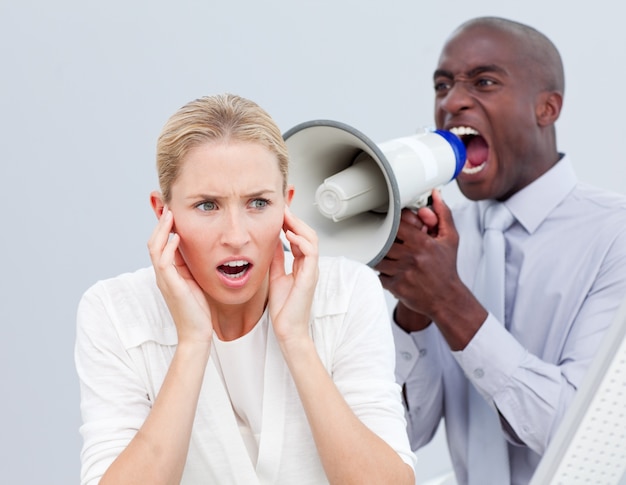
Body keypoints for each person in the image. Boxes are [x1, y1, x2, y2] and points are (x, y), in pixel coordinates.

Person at [75, 93, 416, 485]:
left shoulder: (348, 292)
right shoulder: (113, 312)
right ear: (162, 213)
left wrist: (296, 340)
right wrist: (191, 343)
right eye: (207, 205)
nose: (236, 236)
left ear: (287, 206)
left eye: (258, 202)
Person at [375, 16, 626, 485]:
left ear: (547, 108)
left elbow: (579, 436)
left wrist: (449, 301)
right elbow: (405, 435)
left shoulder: (615, 236)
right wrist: (414, 307)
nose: (452, 101)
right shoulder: (445, 242)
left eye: (484, 81)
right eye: (442, 86)